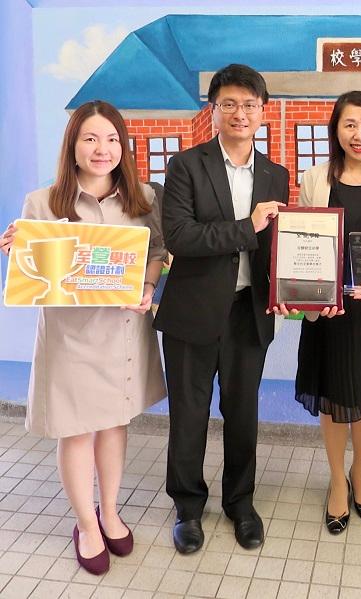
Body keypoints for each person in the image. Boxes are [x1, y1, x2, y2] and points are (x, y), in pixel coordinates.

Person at [0, 100, 167, 575]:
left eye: (112, 139)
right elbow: (31, 273)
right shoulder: (42, 202)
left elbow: (157, 252)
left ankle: (109, 510)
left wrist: (149, 287)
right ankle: (85, 524)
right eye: (91, 138)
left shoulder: (144, 199)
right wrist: (18, 251)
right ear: (72, 146)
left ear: (123, 147)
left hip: (121, 331)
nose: (103, 149)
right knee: (76, 431)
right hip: (69, 337)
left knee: (114, 425)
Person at [153, 64, 289, 554]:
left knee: (242, 413)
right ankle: (188, 508)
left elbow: (279, 246)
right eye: (228, 103)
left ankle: (240, 502)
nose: (239, 113)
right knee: (188, 414)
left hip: (248, 312)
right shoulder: (186, 165)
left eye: (249, 104)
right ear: (213, 109)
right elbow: (182, 238)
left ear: (262, 112)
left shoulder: (276, 173)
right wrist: (246, 226)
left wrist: (304, 286)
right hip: (193, 313)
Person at [275, 90, 361, 534]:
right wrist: (311, 291)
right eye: (350, 124)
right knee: (334, 401)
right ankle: (337, 480)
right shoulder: (317, 178)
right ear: (336, 129)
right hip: (330, 315)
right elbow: (304, 239)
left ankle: (360, 471)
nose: (360, 134)